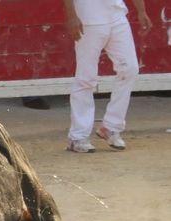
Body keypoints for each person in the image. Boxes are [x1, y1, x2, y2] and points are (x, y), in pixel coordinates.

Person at [63, 0, 152, 153]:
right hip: (88, 19)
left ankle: (111, 127)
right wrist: (72, 15)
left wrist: (141, 10)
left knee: (129, 69)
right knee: (86, 78)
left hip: (116, 15)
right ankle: (77, 136)